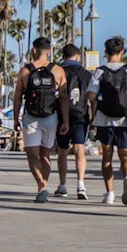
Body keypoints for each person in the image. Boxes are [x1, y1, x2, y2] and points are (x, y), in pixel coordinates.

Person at [12, 37, 62, 204]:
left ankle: (41, 184)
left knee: (32, 156)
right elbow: (64, 98)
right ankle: (44, 185)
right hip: (51, 117)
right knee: (45, 154)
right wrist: (66, 121)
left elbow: (17, 97)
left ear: (34, 50)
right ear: (49, 51)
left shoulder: (25, 71)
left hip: (31, 117)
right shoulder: (58, 71)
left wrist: (15, 119)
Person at [91, 36, 127, 205]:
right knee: (125, 153)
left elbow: (91, 95)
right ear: (122, 52)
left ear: (105, 52)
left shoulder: (99, 71)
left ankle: (110, 193)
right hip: (124, 120)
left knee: (107, 157)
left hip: (104, 120)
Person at [54, 43, 91, 198]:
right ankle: (81, 184)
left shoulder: (57, 71)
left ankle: (62, 185)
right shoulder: (85, 73)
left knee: (62, 150)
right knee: (79, 149)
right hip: (80, 115)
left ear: (63, 56)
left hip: (60, 115)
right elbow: (91, 96)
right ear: (77, 56)